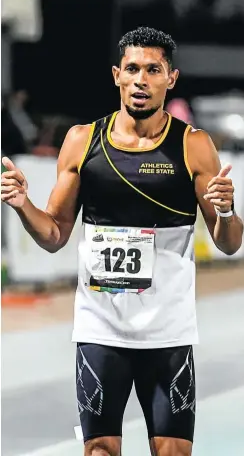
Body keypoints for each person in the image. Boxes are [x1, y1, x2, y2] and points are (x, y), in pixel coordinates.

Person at [1, 27, 243, 456]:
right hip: (101, 329)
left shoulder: (193, 146)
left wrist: (225, 212)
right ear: (116, 75)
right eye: (132, 69)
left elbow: (228, 243)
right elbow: (54, 234)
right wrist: (22, 205)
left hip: (168, 333)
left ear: (171, 78)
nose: (140, 80)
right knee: (99, 451)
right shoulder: (82, 141)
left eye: (153, 70)